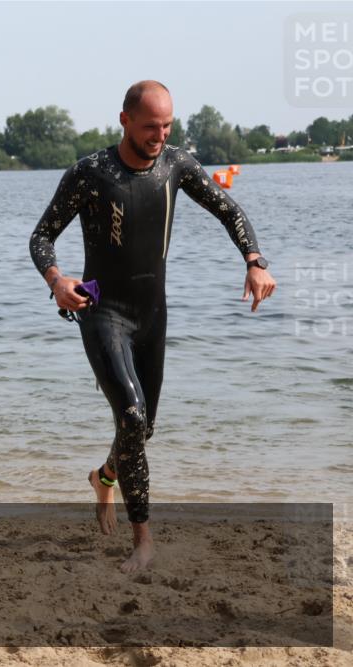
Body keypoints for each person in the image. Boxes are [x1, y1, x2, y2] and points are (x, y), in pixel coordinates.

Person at [29, 80, 276, 573]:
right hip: (102, 312)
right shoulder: (90, 173)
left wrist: (254, 261)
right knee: (132, 415)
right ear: (124, 120)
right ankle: (143, 541)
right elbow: (41, 237)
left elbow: (228, 209)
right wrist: (57, 280)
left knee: (142, 429)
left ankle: (104, 476)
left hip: (152, 315)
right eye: (150, 127)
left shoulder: (176, 164)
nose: (160, 136)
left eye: (167, 126)